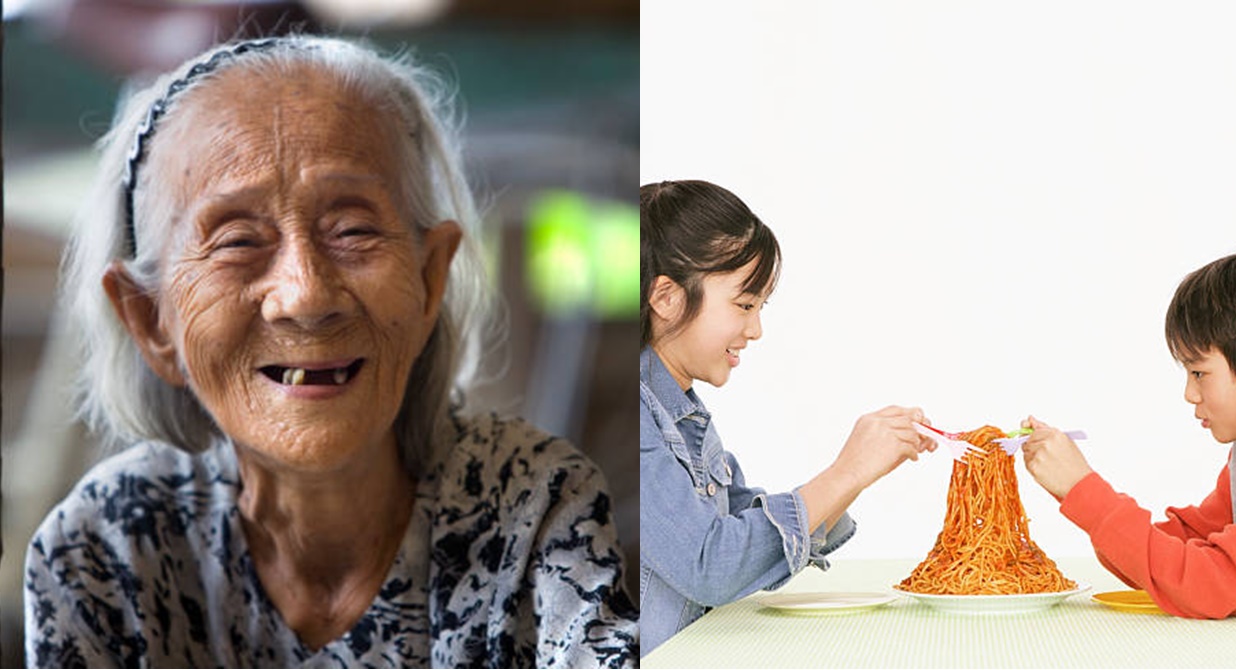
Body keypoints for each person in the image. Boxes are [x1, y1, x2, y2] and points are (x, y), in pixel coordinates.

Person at [24, 34, 637, 668]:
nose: (305, 295)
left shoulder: (534, 504)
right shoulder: (104, 550)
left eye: (354, 230)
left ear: (431, 280)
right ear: (150, 319)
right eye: (237, 241)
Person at [638, 179, 935, 655]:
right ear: (666, 297)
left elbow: (742, 535)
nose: (755, 329)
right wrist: (848, 470)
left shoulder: (680, 412)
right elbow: (711, 565)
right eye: (744, 305)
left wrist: (861, 472)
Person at [1021, 249, 1236, 618]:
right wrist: (1073, 489)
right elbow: (1181, 552)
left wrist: (1084, 491)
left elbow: (1211, 583)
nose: (1190, 394)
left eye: (1199, 373)